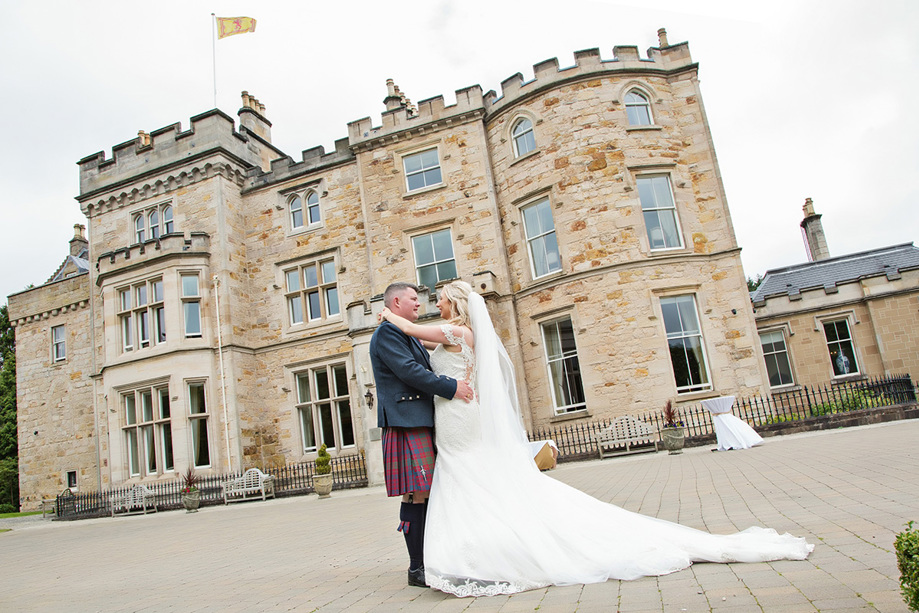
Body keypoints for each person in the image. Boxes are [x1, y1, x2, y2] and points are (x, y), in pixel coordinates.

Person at [380, 280, 814, 598]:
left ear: (454, 305)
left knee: (465, 475)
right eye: (422, 301)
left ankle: (472, 553)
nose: (431, 304)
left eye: (436, 300)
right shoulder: (459, 333)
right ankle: (470, 549)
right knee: (467, 479)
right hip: (456, 417)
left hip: (459, 417)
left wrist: (386, 315)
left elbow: (415, 334)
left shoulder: (459, 332)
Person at [369, 282, 474, 588]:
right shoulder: (388, 334)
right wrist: (452, 387)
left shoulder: (403, 331)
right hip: (406, 421)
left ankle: (430, 558)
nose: (420, 304)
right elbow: (409, 372)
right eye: (415, 299)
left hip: (419, 420)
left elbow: (437, 348)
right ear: (397, 301)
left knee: (426, 492)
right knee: (416, 493)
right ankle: (417, 567)